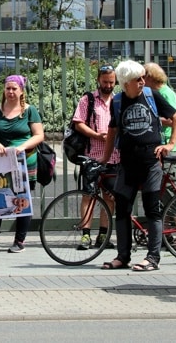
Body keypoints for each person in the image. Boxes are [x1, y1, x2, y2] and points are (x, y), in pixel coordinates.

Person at [100, 60, 176, 272]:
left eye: (143, 77)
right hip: (127, 165)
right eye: (138, 79)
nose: (143, 81)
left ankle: (153, 258)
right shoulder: (117, 102)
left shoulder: (151, 95)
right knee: (123, 209)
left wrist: (170, 144)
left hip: (150, 164)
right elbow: (112, 130)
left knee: (152, 210)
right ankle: (122, 256)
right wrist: (105, 158)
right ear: (126, 82)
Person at [0, 74, 45, 254]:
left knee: (22, 198)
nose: (10, 92)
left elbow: (39, 135)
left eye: (14, 89)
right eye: (8, 88)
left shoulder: (29, 111)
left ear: (21, 91)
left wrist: (22, 147)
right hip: (1, 161)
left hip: (24, 161)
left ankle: (19, 240)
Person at [71, 64, 118, 250]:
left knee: (110, 197)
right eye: (105, 82)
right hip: (92, 156)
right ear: (98, 80)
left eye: (112, 82)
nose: (108, 85)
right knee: (88, 196)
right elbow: (78, 123)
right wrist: (97, 135)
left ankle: (103, 235)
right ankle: (85, 235)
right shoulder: (88, 99)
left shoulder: (118, 100)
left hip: (114, 157)